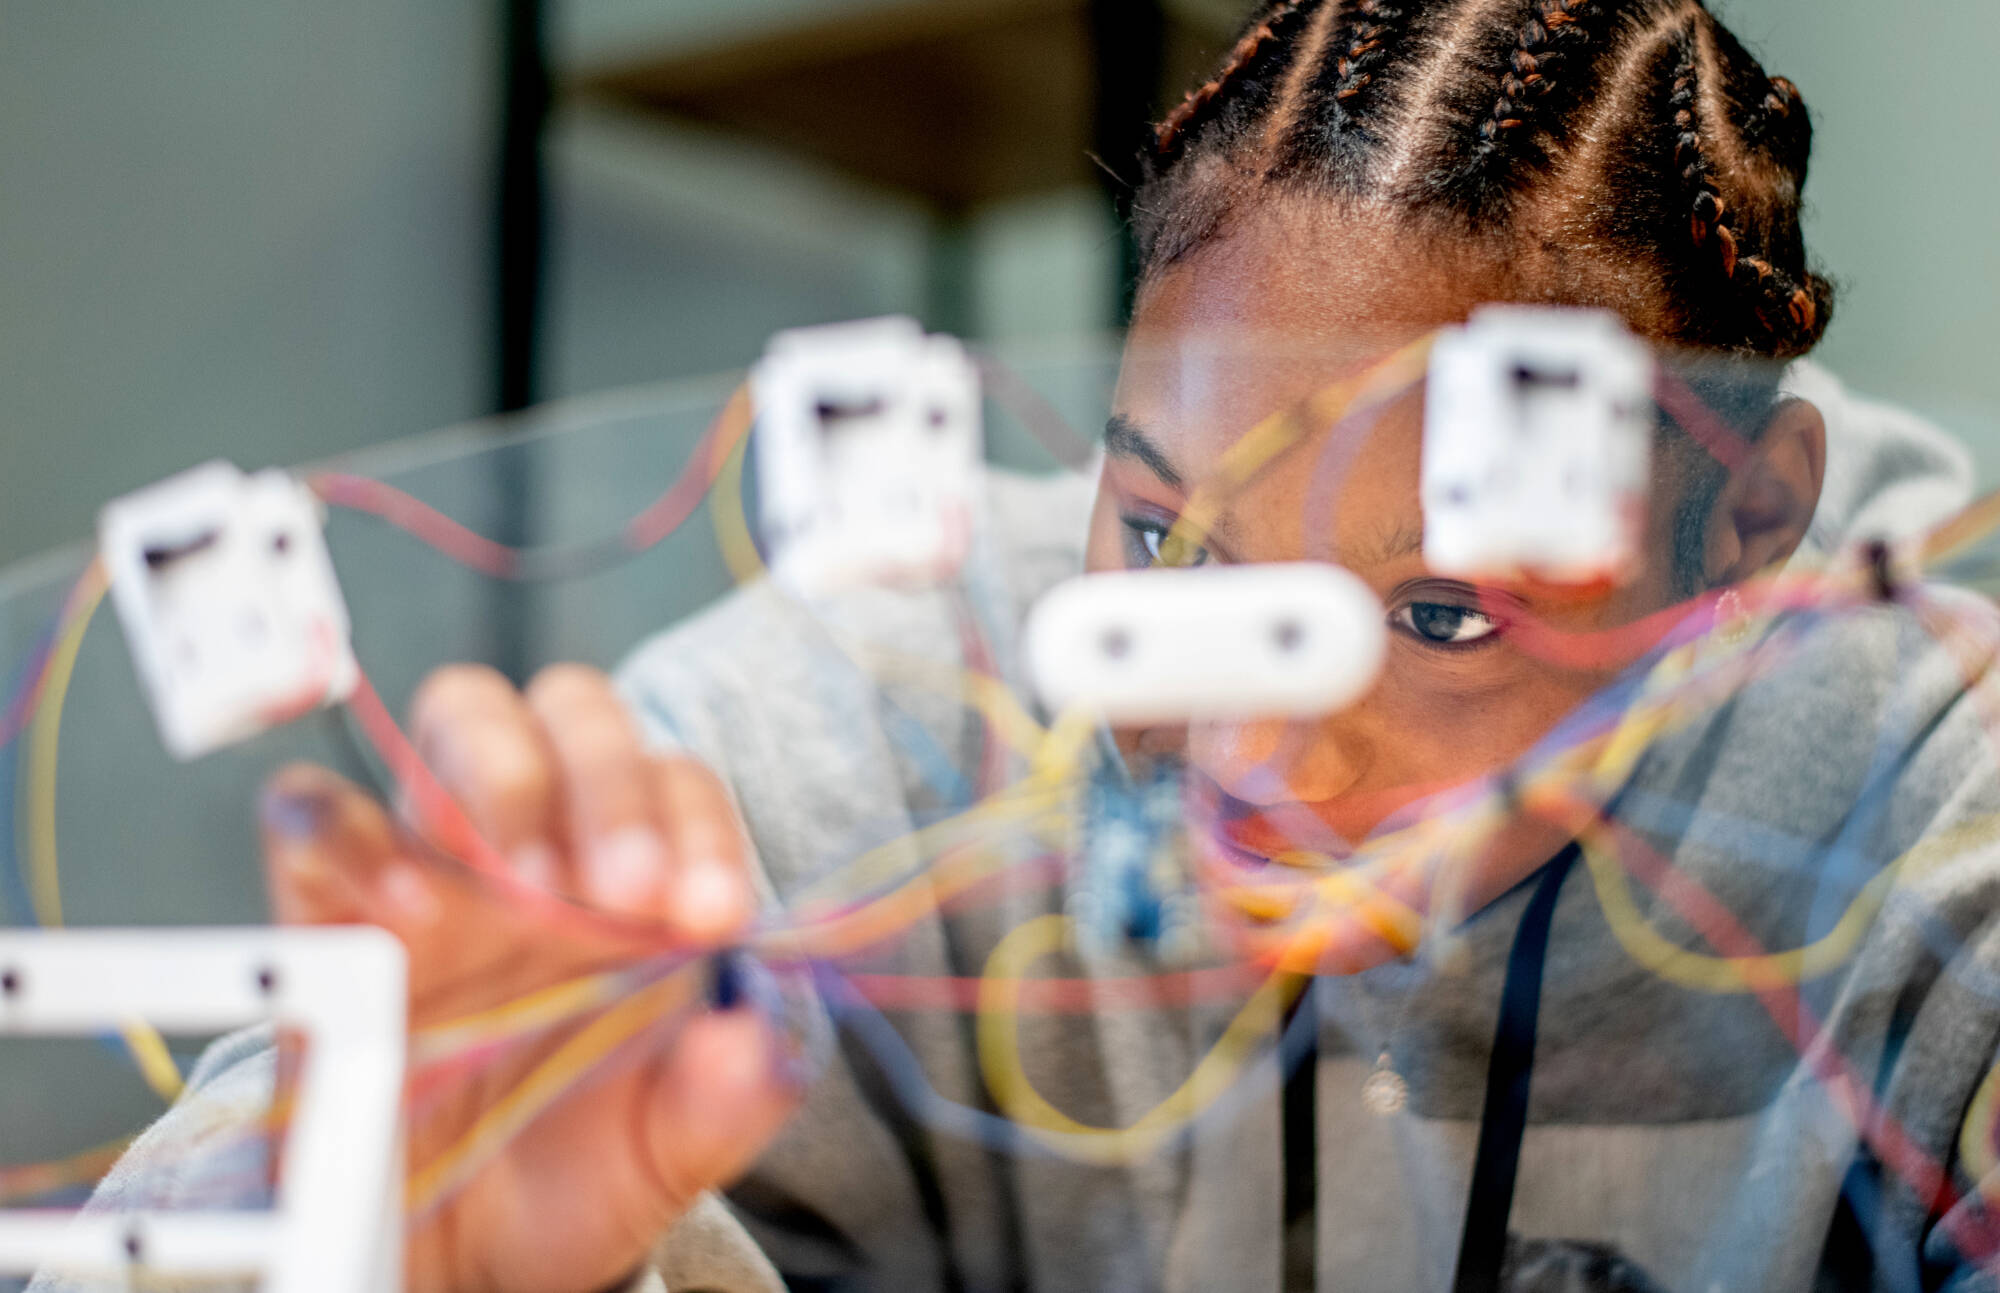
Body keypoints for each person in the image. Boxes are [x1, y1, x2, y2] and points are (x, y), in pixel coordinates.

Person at [41, 1, 2000, 1290]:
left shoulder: (1911, 777)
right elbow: (206, 1205)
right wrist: (403, 1243)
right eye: (1162, 529)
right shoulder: (888, 698)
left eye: (1435, 612)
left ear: (1747, 521)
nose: (1254, 749)